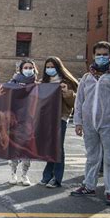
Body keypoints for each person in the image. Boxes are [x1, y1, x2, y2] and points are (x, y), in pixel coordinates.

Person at [71, 41, 110, 206]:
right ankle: (89, 185)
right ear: (93, 56)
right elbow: (79, 101)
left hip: (109, 124)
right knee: (92, 156)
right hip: (89, 124)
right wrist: (78, 122)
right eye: (98, 54)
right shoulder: (87, 78)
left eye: (104, 54)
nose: (101, 57)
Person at [39, 57, 77, 188]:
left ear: (58, 67)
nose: (50, 69)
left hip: (60, 118)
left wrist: (67, 92)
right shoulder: (43, 82)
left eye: (52, 67)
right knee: (50, 148)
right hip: (46, 119)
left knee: (58, 148)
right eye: (47, 67)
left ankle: (57, 178)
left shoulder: (66, 82)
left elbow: (74, 103)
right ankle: (47, 175)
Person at [7, 59, 39, 186]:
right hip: (15, 120)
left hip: (31, 120)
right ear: (21, 69)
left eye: (30, 67)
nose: (28, 69)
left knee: (27, 148)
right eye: (25, 67)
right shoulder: (12, 83)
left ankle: (24, 175)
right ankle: (13, 173)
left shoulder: (37, 84)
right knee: (14, 147)